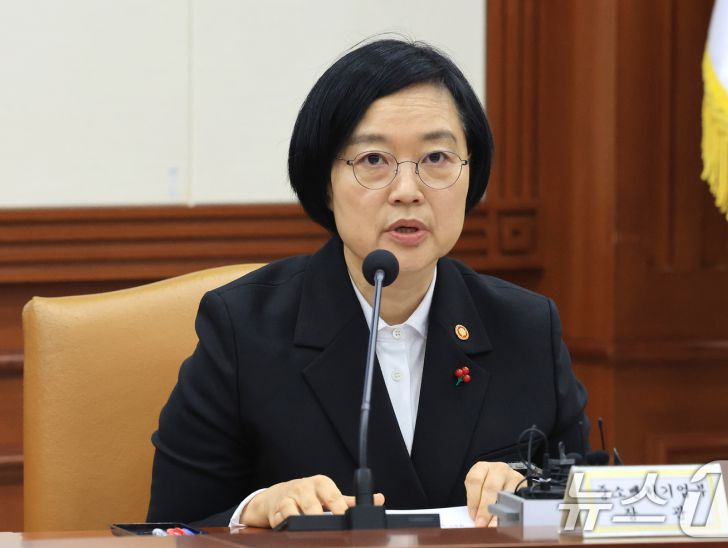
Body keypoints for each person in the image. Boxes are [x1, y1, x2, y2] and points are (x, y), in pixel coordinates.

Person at [147, 38, 588, 529]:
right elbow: (171, 527)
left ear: (472, 173)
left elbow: (587, 516)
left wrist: (533, 493)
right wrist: (255, 510)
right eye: (373, 160)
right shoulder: (243, 330)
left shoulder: (526, 328)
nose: (407, 191)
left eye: (437, 158)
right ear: (325, 183)